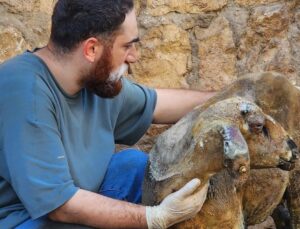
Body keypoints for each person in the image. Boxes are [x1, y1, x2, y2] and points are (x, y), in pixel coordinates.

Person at [0, 0, 215, 228]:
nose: (134, 57)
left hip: (74, 204)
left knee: (134, 166)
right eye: (127, 46)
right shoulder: (25, 90)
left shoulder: (94, 82)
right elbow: (60, 205)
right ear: (92, 49)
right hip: (32, 220)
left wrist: (241, 96)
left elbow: (158, 105)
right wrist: (154, 217)